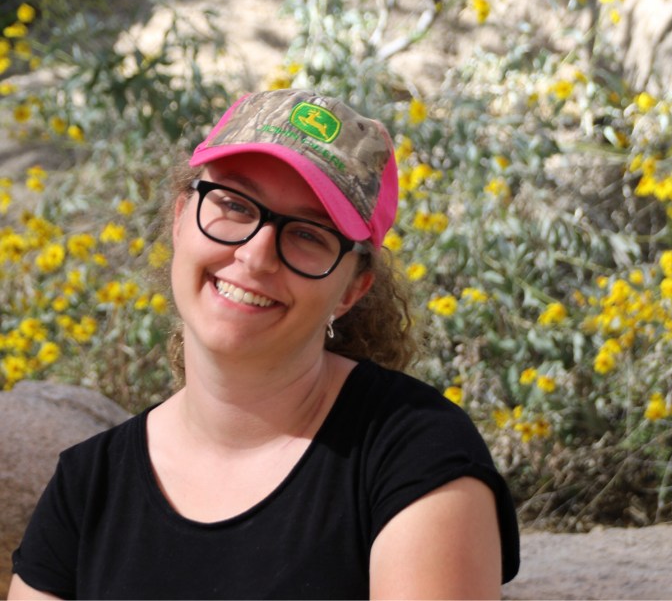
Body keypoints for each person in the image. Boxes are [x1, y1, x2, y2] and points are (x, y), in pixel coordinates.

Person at [9, 88, 519, 600]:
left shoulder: (413, 454)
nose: (255, 256)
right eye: (234, 204)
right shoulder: (87, 487)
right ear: (181, 217)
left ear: (352, 289)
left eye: (309, 234)